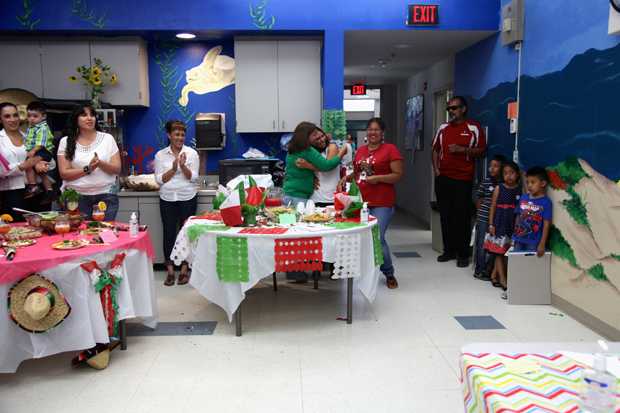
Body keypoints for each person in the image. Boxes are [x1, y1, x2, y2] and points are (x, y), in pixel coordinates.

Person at [340, 117, 403, 289]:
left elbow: (397, 175)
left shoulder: (390, 150)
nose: (372, 132)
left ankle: (389, 273)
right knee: (360, 236)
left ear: (382, 132)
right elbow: (358, 172)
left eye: (376, 129)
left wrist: (378, 178)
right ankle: (365, 271)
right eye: (370, 129)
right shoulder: (360, 150)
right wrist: (347, 177)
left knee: (377, 237)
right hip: (362, 201)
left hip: (382, 201)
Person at [432, 96, 487, 267]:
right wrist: (436, 170)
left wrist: (462, 150)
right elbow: (435, 149)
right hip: (443, 178)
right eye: (449, 109)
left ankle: (463, 254)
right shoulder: (443, 128)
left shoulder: (473, 128)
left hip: (463, 178)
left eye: (454, 108)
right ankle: (448, 251)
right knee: (445, 215)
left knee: (462, 216)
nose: (451, 112)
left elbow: (482, 151)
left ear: (463, 109)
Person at [154, 120, 199, 286]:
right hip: (167, 198)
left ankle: (185, 270)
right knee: (169, 233)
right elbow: (159, 180)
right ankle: (170, 271)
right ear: (169, 135)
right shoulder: (160, 155)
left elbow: (194, 178)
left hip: (188, 197)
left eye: (182, 134)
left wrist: (183, 166)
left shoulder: (192, 154)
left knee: (186, 233)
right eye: (176, 134)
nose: (180, 137)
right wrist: (173, 169)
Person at [57, 104, 121, 221]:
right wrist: (88, 169)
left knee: (105, 235)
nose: (89, 118)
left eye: (92, 115)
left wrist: (100, 163)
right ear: (75, 119)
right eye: (84, 115)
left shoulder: (107, 139)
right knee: (79, 236)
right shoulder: (65, 141)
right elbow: (64, 173)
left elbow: (117, 169)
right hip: (76, 197)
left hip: (106, 196)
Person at [0, 102, 49, 220]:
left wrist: (43, 163)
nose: (13, 119)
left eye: (15, 115)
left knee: (42, 230)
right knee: (16, 232)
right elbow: (1, 171)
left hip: (37, 190)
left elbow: (50, 159)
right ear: (0, 120)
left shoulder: (30, 136)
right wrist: (23, 166)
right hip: (11, 193)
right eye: (7, 116)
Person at [283, 122, 347, 207]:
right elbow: (326, 166)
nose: (319, 138)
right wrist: (341, 153)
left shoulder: (292, 151)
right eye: (315, 136)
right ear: (306, 137)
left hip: (291, 193)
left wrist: (308, 168)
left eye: (321, 135)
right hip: (305, 197)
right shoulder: (308, 150)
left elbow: (326, 169)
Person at [485, 161, 521, 300]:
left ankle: (494, 275)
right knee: (498, 252)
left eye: (512, 173)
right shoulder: (499, 188)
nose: (509, 176)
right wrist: (491, 224)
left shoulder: (518, 189)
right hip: (499, 223)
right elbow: (493, 207)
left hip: (511, 224)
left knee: (505, 250)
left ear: (517, 174)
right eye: (506, 173)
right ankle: (503, 280)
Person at [473, 154, 506, 281]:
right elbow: (479, 198)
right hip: (483, 218)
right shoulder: (486, 182)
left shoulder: (504, 184)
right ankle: (479, 270)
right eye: (490, 166)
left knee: (493, 245)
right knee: (481, 244)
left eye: (496, 166)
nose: (491, 169)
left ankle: (489, 270)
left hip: (497, 220)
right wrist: (479, 213)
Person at [513, 167, 552, 257]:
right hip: (518, 239)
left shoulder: (546, 202)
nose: (529, 185)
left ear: (543, 183)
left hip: (534, 242)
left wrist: (542, 243)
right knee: (517, 264)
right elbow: (518, 216)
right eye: (527, 182)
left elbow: (546, 224)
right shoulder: (523, 197)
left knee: (530, 266)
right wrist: (514, 236)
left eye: (533, 182)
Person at [296, 130, 340, 207]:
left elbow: (327, 167)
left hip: (331, 198)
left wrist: (307, 165)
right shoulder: (311, 152)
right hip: (314, 198)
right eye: (317, 139)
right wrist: (311, 178)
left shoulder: (332, 147)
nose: (321, 140)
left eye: (322, 136)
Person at [23, 101, 55, 202]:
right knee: (40, 172)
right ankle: (50, 191)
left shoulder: (42, 128)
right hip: (39, 151)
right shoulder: (31, 127)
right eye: (29, 116)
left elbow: (41, 143)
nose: (31, 118)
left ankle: (33, 186)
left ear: (43, 116)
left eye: (35, 116)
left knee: (27, 165)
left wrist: (33, 151)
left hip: (42, 151)